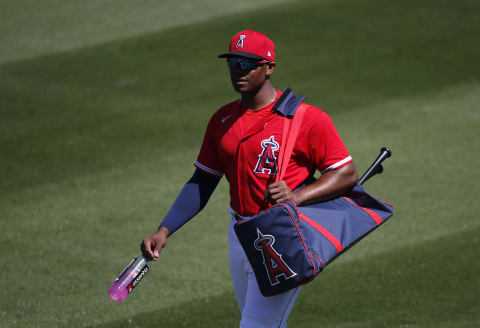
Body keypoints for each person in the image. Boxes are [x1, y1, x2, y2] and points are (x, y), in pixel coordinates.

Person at [141, 30, 358, 327]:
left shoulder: (307, 119)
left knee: (256, 325)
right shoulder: (222, 120)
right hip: (240, 234)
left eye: (247, 64)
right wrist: (164, 230)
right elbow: (203, 181)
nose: (237, 71)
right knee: (259, 321)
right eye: (233, 63)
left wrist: (297, 196)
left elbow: (346, 173)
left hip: (281, 235)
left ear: (269, 67)